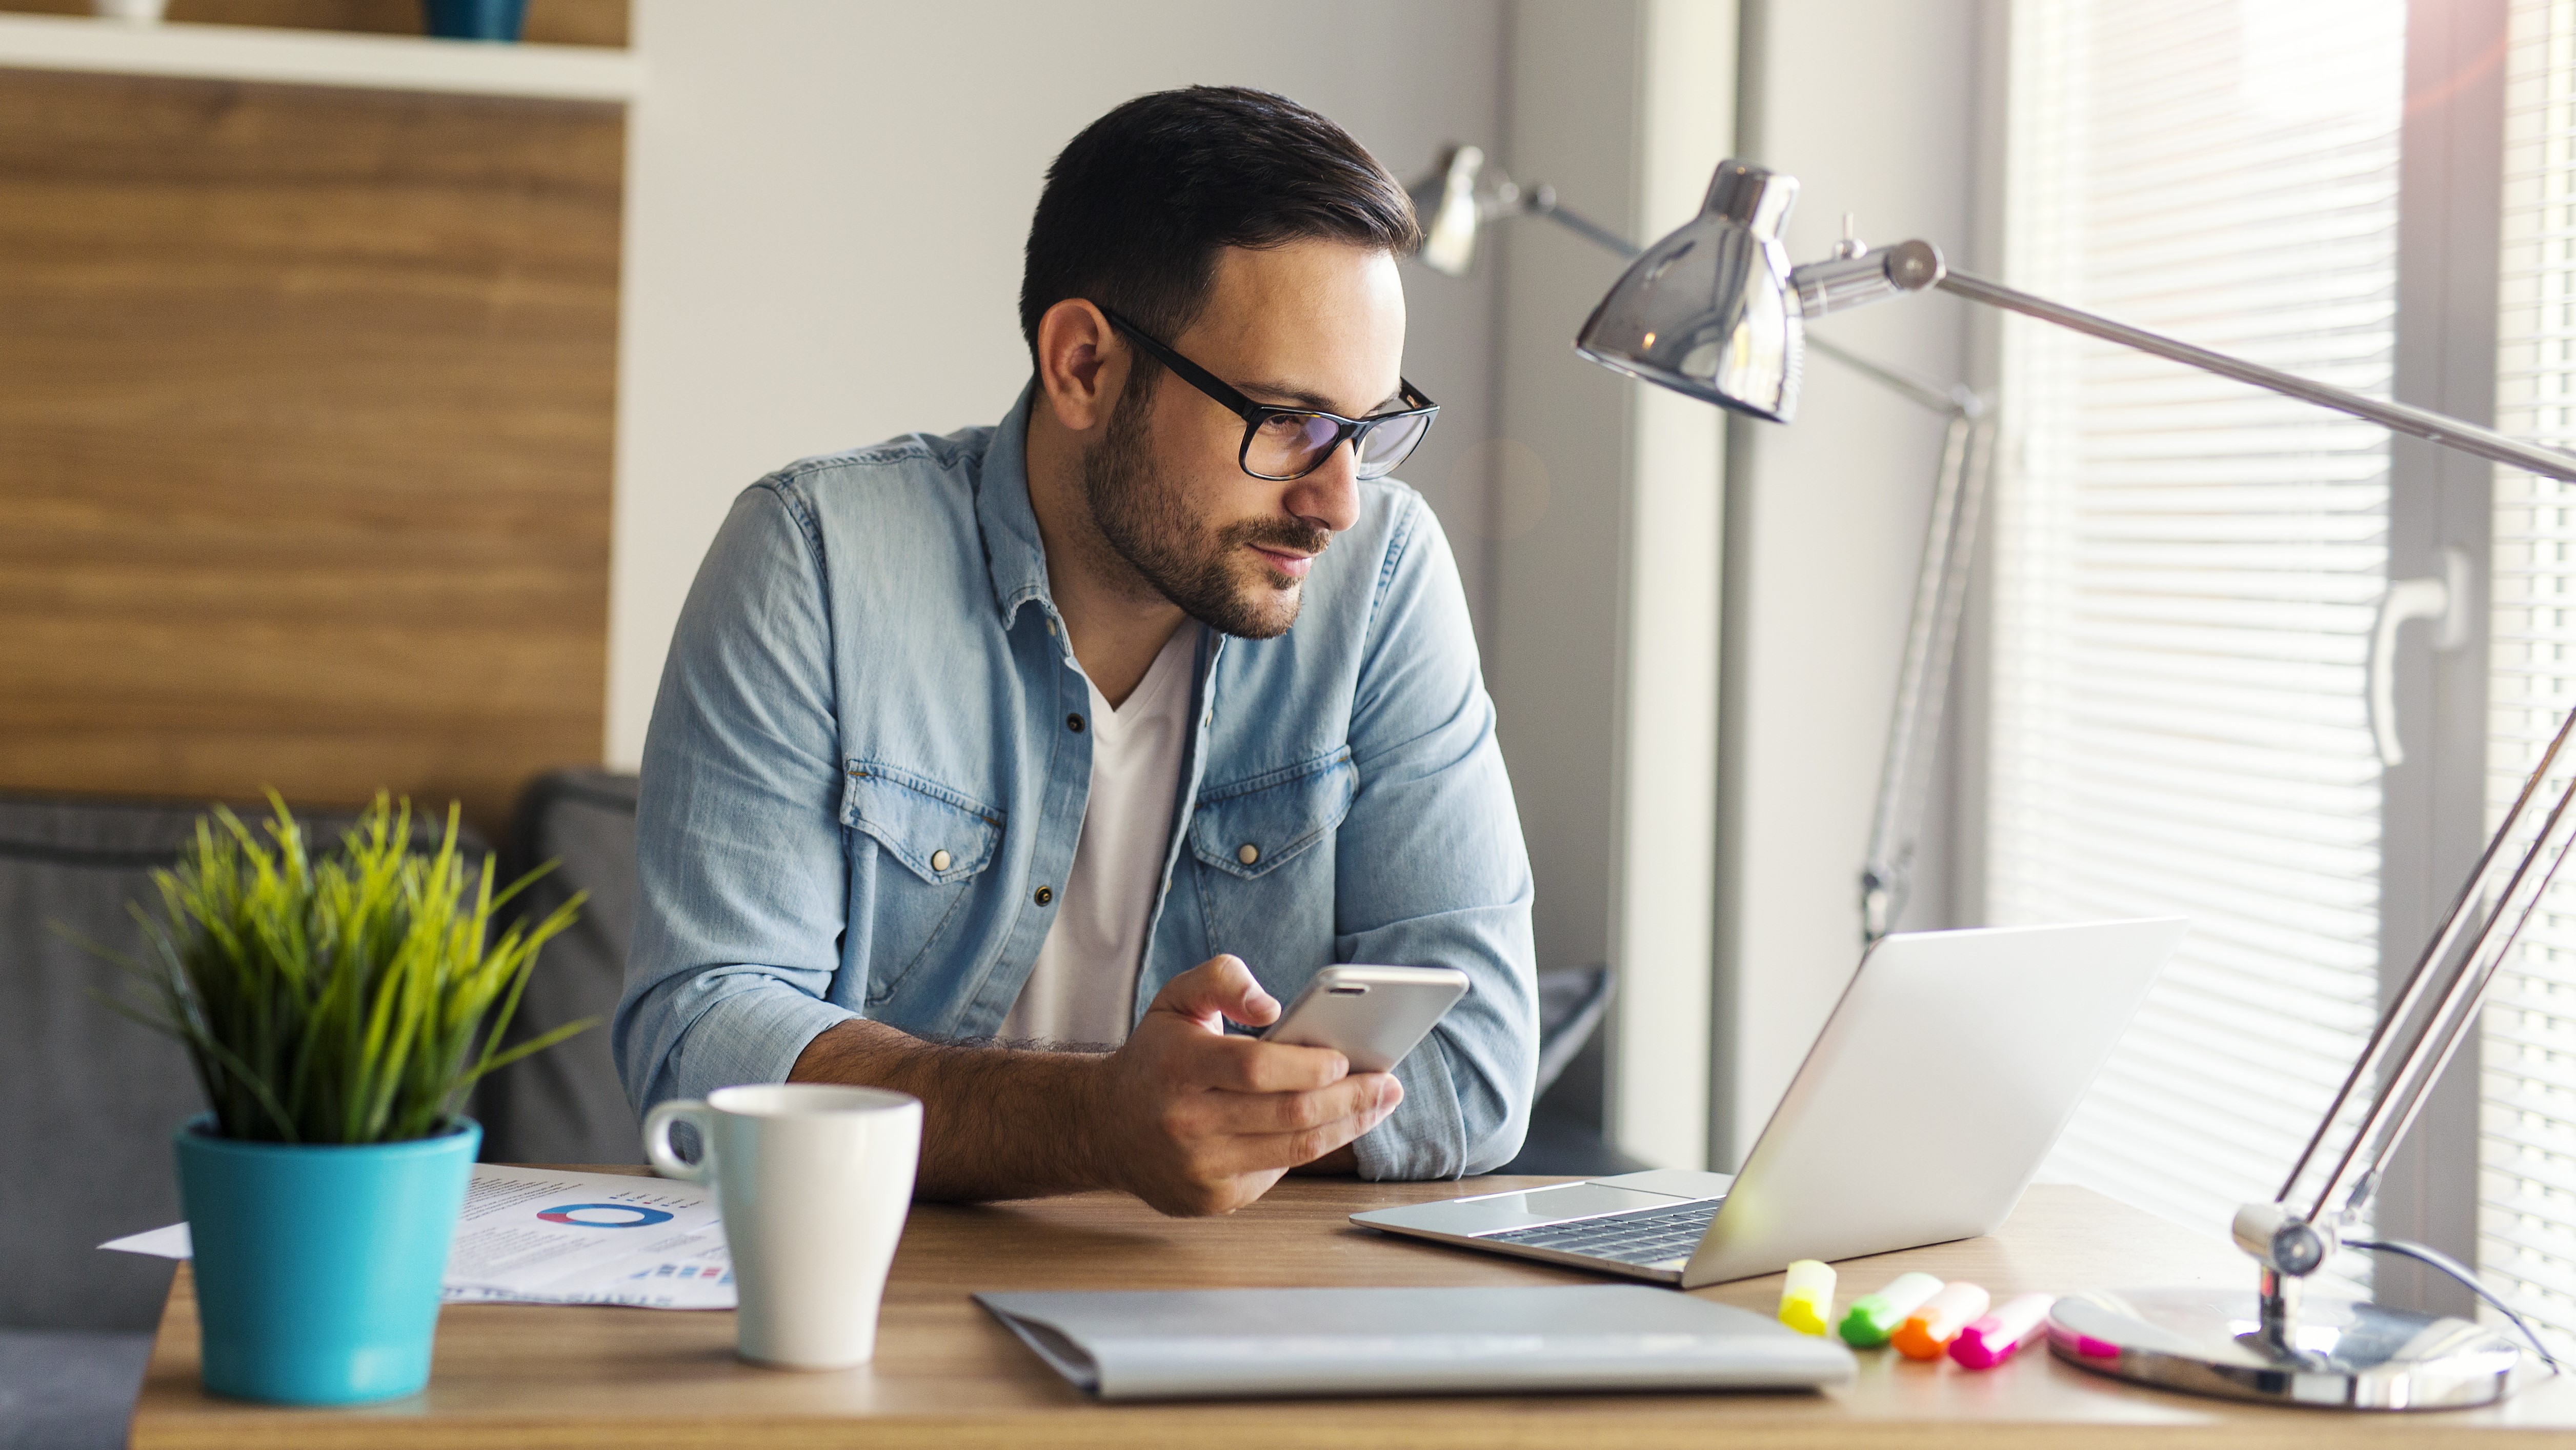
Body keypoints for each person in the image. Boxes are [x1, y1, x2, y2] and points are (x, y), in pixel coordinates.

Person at [614, 86, 1536, 1217]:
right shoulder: (816, 559)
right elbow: (701, 1038)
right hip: (875, 1300)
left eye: (1369, 429)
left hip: (1236, 1315)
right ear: (1085, 366)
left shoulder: (1383, 579)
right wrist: (1096, 1124)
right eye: (1287, 420)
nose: (1339, 501)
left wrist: (1198, 1127)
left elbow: (1479, 1064)